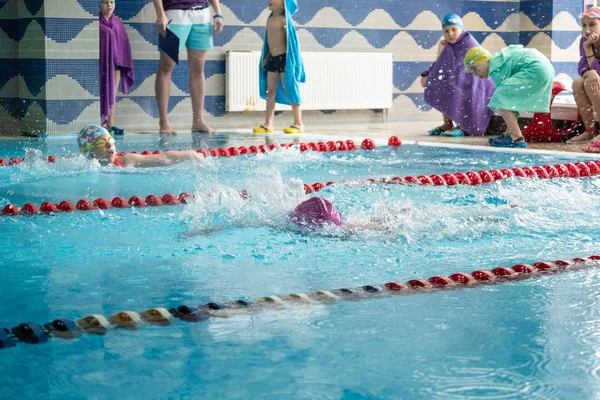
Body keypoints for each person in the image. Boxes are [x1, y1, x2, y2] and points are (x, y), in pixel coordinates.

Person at [152, 0, 224, 134]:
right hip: (174, 15)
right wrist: (160, 14)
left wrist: (218, 13)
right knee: (166, 66)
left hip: (202, 15)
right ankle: (164, 122)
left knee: (198, 67)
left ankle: (198, 121)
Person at [465, 45, 555, 148]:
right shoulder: (499, 60)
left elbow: (504, 102)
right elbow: (509, 105)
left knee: (500, 97)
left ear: (485, 60)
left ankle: (516, 136)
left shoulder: (495, 67)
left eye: (475, 68)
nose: (475, 74)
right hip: (544, 68)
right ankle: (510, 132)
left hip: (535, 69)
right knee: (503, 98)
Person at [421, 14, 495, 137]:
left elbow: (472, 69)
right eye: (446, 31)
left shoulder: (468, 42)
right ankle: (447, 123)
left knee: (461, 88)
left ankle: (463, 126)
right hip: (460, 81)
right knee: (443, 86)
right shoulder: (448, 45)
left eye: (454, 29)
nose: (450, 34)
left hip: (478, 82)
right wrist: (440, 50)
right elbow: (441, 66)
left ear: (461, 29)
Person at [253, 0, 306, 134]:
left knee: (291, 89)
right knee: (270, 91)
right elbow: (270, 42)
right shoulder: (270, 19)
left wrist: (293, 62)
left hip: (285, 59)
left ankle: (298, 123)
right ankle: (268, 123)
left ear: (283, 5)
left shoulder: (285, 21)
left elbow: (292, 43)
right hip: (273, 59)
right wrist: (266, 58)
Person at [77, 124, 204, 167]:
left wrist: (190, 155)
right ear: (90, 152)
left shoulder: (126, 161)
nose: (109, 144)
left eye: (111, 139)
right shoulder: (84, 168)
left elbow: (163, 158)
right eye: (101, 143)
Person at [99, 0, 134, 136]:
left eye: (112, 2)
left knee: (112, 93)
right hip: (102, 64)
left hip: (116, 63)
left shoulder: (118, 22)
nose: (109, 6)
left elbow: (123, 44)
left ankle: (110, 124)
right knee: (103, 91)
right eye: (105, 2)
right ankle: (101, 123)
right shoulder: (96, 22)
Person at [569, 6, 600, 151]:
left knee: (589, 80)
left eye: (592, 24)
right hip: (595, 79)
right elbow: (582, 67)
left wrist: (592, 70)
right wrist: (587, 46)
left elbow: (595, 71)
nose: (587, 29)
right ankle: (589, 130)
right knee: (577, 82)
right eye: (584, 25)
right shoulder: (584, 40)